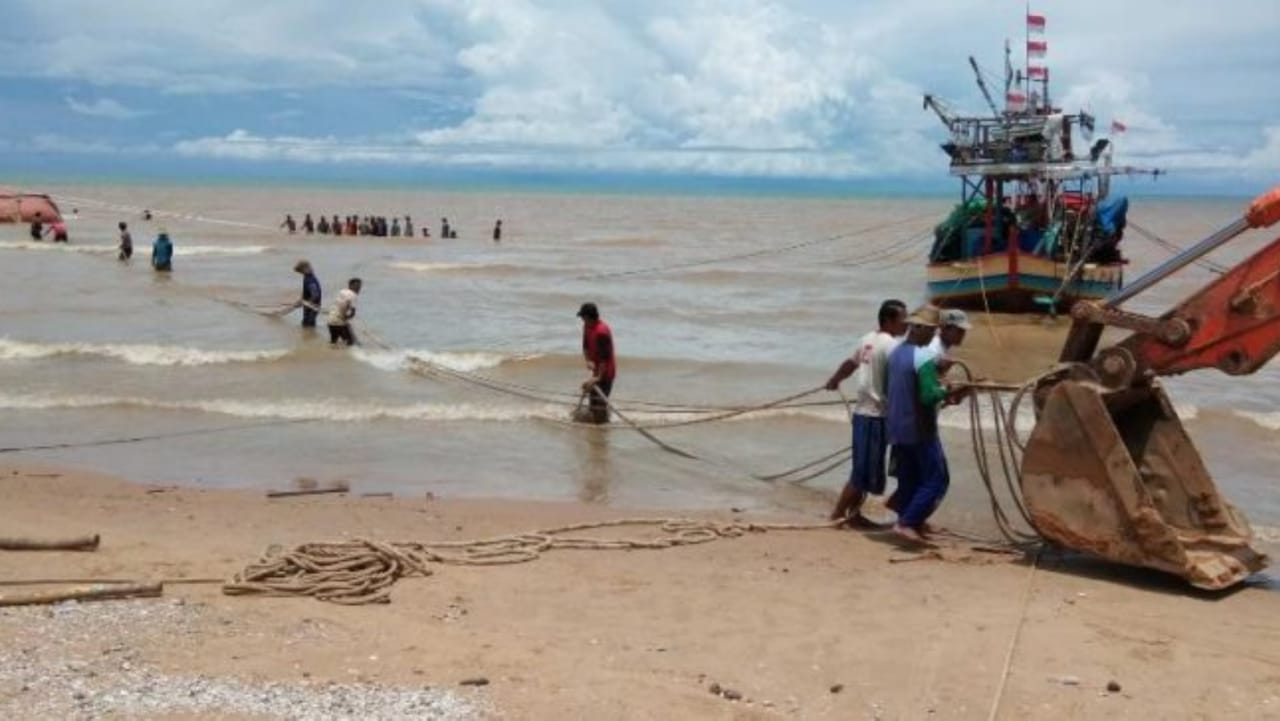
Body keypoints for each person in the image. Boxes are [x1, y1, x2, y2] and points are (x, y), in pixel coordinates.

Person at [884, 305, 971, 544]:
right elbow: (929, 396)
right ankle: (907, 523)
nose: (933, 335)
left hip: (897, 426)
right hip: (919, 427)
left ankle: (908, 515)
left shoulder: (897, 352)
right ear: (918, 328)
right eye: (931, 330)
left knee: (910, 477)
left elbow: (890, 388)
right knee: (936, 479)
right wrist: (946, 389)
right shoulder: (923, 356)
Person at [823, 299, 908, 525]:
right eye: (903, 320)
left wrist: (834, 380)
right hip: (876, 416)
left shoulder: (866, 339)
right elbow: (902, 379)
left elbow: (850, 364)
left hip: (863, 414)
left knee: (866, 468)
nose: (907, 324)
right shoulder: (893, 346)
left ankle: (854, 514)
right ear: (889, 320)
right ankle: (838, 514)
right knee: (862, 472)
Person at [577, 302, 616, 424]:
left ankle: (603, 428)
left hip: (606, 373)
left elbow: (605, 358)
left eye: (583, 317)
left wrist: (598, 378)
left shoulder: (602, 332)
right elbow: (585, 347)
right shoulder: (587, 327)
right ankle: (597, 424)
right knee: (593, 403)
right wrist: (588, 360)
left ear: (588, 317)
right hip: (597, 371)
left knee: (599, 406)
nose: (582, 319)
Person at [327, 278, 362, 346]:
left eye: (359, 287)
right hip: (339, 322)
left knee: (333, 342)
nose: (359, 289)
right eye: (357, 286)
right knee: (350, 343)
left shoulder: (342, 291)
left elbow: (338, 304)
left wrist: (345, 317)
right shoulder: (353, 295)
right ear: (351, 285)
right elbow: (352, 313)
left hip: (330, 319)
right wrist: (347, 317)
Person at [294, 260, 322, 329]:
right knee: (305, 323)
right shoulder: (307, 277)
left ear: (305, 269)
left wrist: (308, 303)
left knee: (309, 324)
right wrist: (301, 300)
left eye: (300, 271)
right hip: (309, 305)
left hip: (313, 306)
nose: (301, 273)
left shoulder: (310, 280)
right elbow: (306, 292)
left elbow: (315, 294)